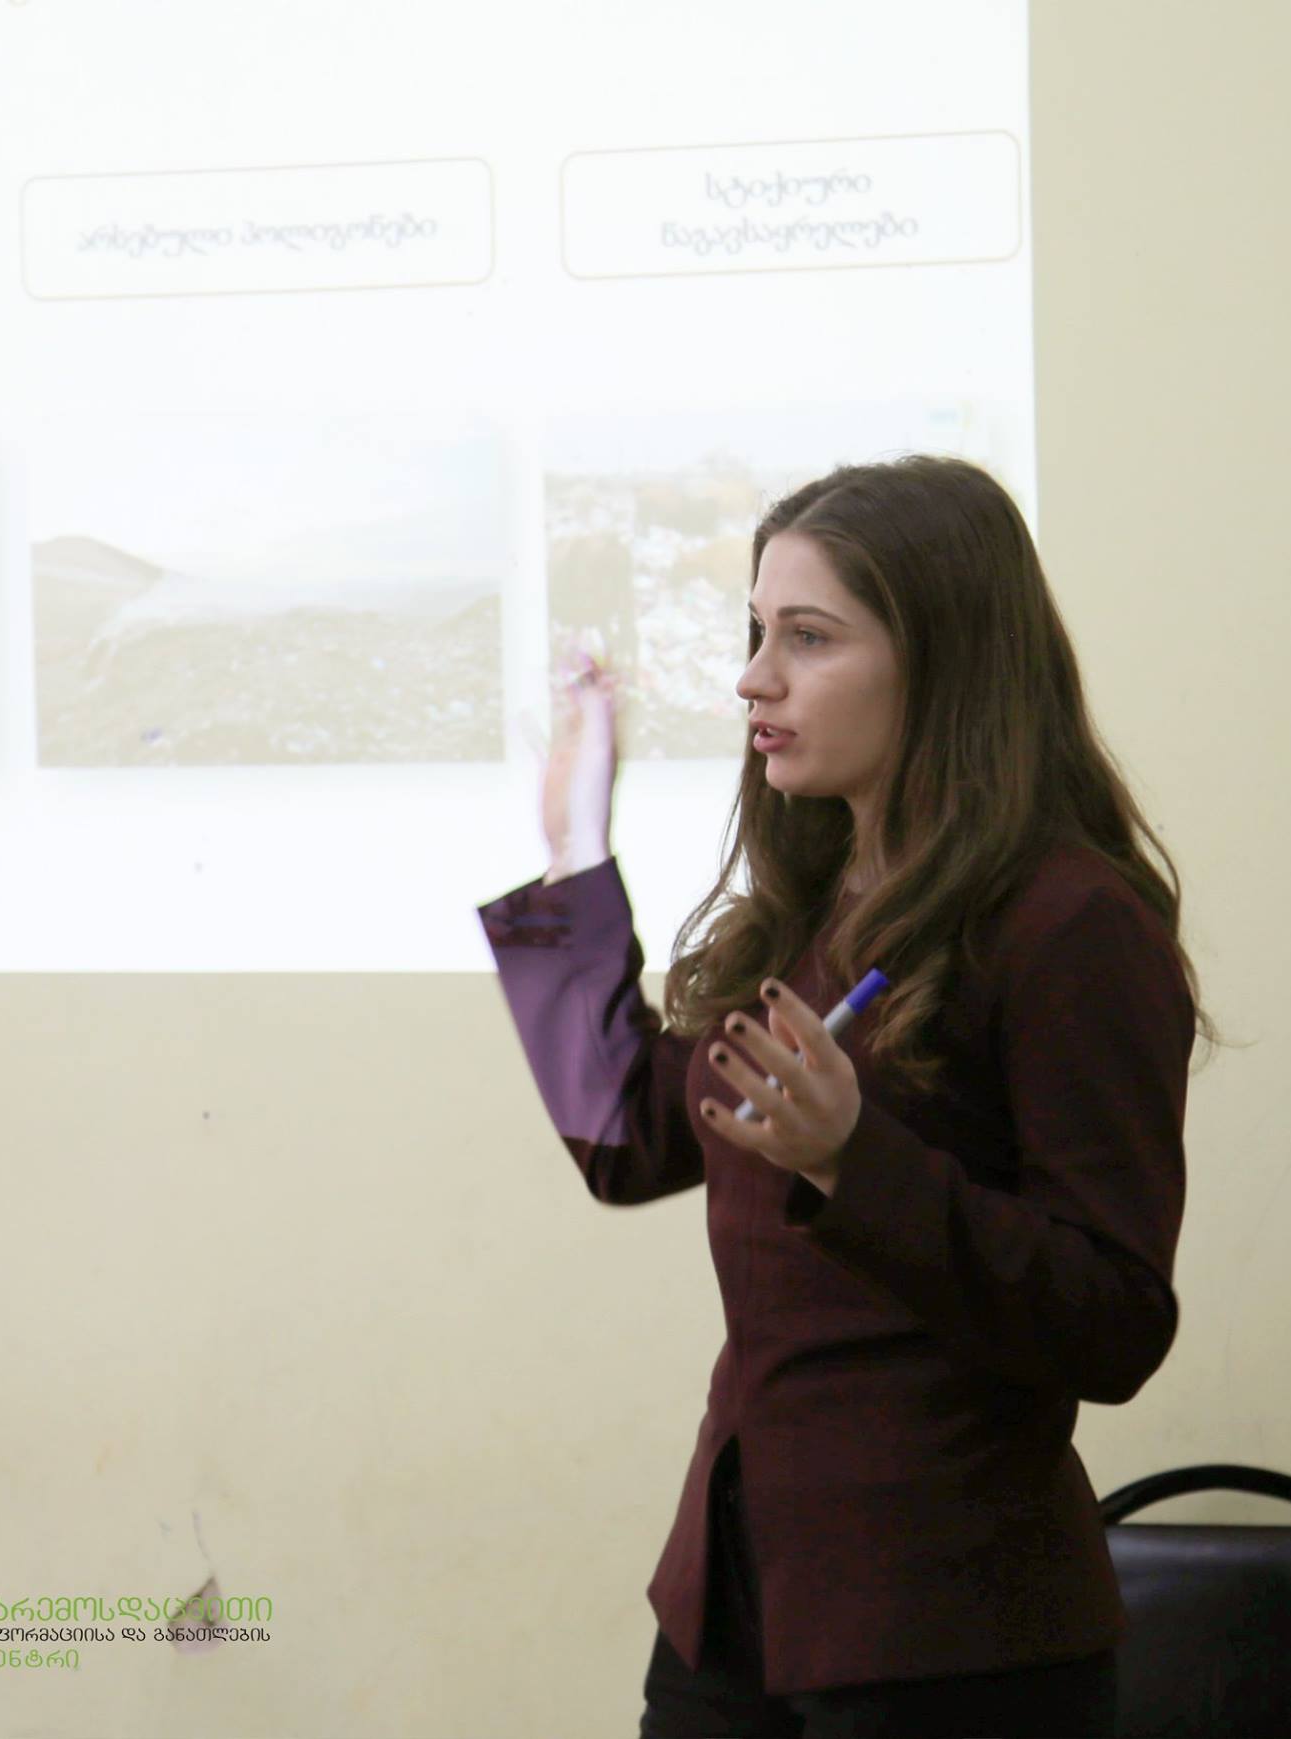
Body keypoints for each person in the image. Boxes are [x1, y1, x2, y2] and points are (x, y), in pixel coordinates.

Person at [477, 455, 1204, 1738]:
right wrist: (572, 856)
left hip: (946, 1637)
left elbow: (1114, 1321)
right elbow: (626, 1136)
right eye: (756, 631)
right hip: (737, 1600)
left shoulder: (1069, 922)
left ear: (943, 663)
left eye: (807, 638)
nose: (753, 678)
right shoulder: (813, 907)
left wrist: (850, 1158)